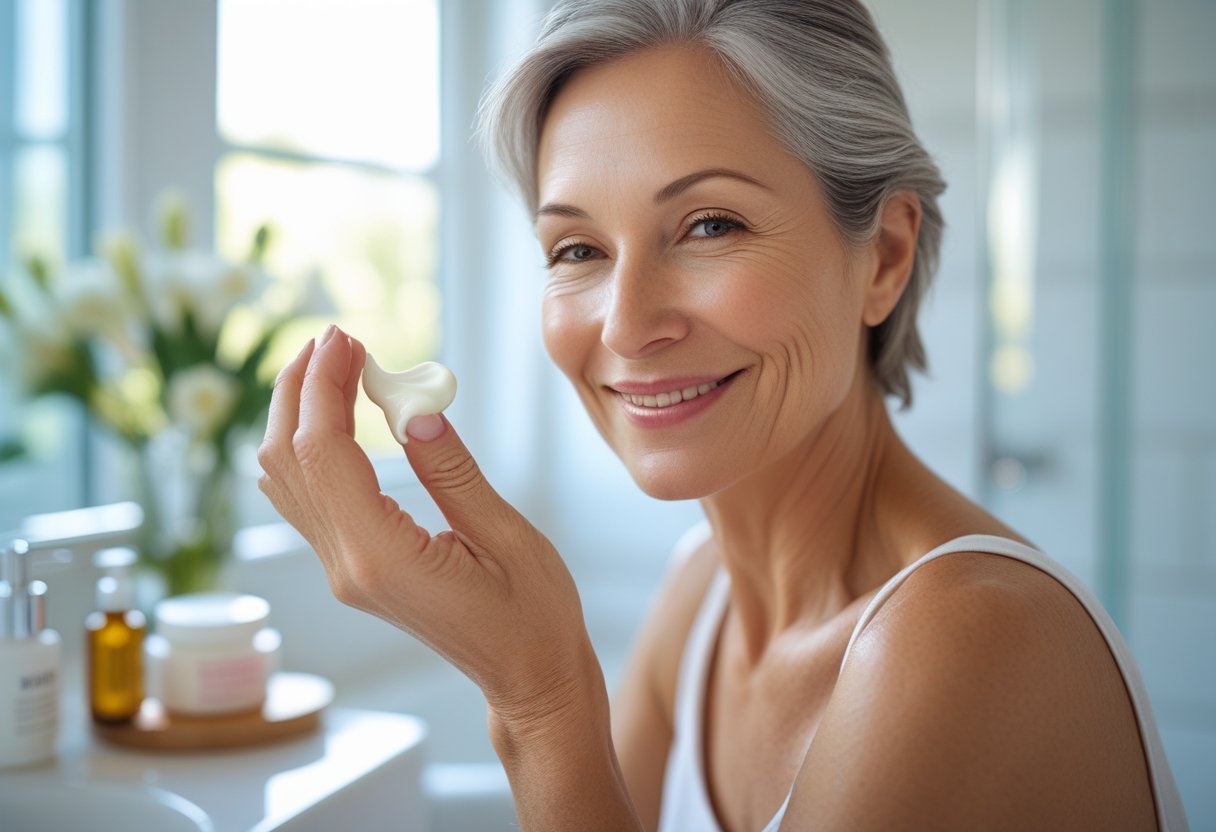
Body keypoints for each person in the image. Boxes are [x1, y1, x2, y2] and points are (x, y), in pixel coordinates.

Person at [257, 1, 1187, 829]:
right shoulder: (701, 594)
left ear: (885, 257)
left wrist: (541, 700)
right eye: (577, 247)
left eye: (710, 226)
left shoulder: (970, 640)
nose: (625, 325)